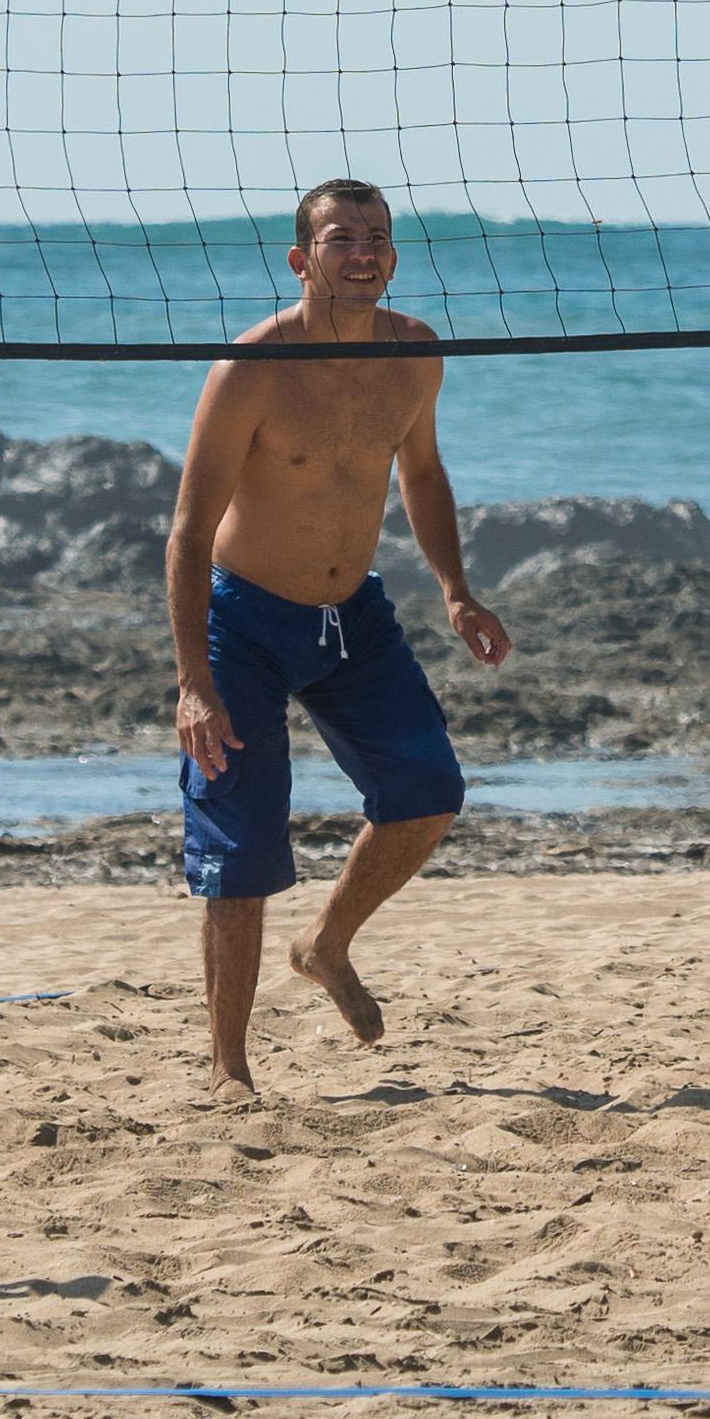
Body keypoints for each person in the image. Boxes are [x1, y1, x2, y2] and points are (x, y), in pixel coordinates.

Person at [165, 178, 518, 1085]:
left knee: (429, 791)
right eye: (339, 237)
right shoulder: (250, 368)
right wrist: (192, 681)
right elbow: (189, 532)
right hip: (243, 617)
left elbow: (424, 474)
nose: (361, 251)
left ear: (393, 254)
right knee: (240, 856)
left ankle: (327, 940)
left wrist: (457, 591)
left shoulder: (414, 352)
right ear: (301, 258)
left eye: (376, 237)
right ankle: (229, 1072)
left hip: (351, 612)